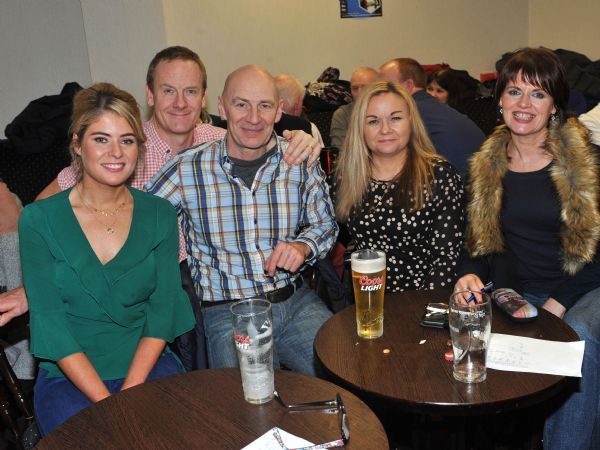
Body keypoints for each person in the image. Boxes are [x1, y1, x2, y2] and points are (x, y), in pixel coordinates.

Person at [0, 46, 321, 329]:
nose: (180, 103)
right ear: (150, 96)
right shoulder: (121, 150)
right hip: (136, 291)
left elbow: (263, 133)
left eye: (190, 91)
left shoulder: (220, 140)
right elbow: (39, 213)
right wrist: (43, 283)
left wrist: (301, 138)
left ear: (205, 98)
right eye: (168, 90)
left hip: (215, 293)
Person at [19, 83, 196, 436]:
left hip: (147, 366)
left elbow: (163, 310)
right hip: (69, 377)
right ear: (77, 144)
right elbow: (51, 325)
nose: (116, 152)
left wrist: (130, 392)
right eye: (101, 139)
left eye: (127, 140)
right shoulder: (38, 220)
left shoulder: (160, 214)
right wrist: (109, 404)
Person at [146, 65, 337, 376]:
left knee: (344, 374)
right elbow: (136, 220)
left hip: (297, 302)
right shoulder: (187, 169)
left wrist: (303, 246)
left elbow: (326, 225)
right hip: (229, 312)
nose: (253, 117)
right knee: (250, 397)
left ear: (279, 111)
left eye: (264, 106)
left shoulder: (299, 160)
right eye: (241, 104)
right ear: (222, 108)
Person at [454, 47, 600, 450]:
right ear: (499, 99)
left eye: (538, 94)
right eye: (514, 91)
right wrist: (469, 275)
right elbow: (477, 242)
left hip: (585, 288)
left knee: (577, 337)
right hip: (517, 292)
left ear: (554, 106)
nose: (524, 104)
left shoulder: (587, 163)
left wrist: (559, 302)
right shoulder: (485, 166)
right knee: (463, 330)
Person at [335, 81, 464, 292]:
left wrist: (420, 307)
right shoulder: (347, 175)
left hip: (422, 297)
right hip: (367, 296)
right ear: (360, 128)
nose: (385, 129)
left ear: (411, 121)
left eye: (395, 118)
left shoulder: (439, 175)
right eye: (373, 121)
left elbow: (446, 260)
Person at [379, 58, 485, 175]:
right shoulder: (438, 108)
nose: (378, 93)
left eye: (385, 86)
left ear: (408, 85)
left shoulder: (409, 112)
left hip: (459, 182)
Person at [329, 67, 378, 149]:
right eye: (355, 88)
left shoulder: (389, 110)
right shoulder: (343, 114)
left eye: (365, 87)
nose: (359, 93)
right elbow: (340, 152)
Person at [274, 73, 324, 145]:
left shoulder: (262, 123)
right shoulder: (307, 126)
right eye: (302, 101)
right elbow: (321, 151)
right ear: (297, 105)